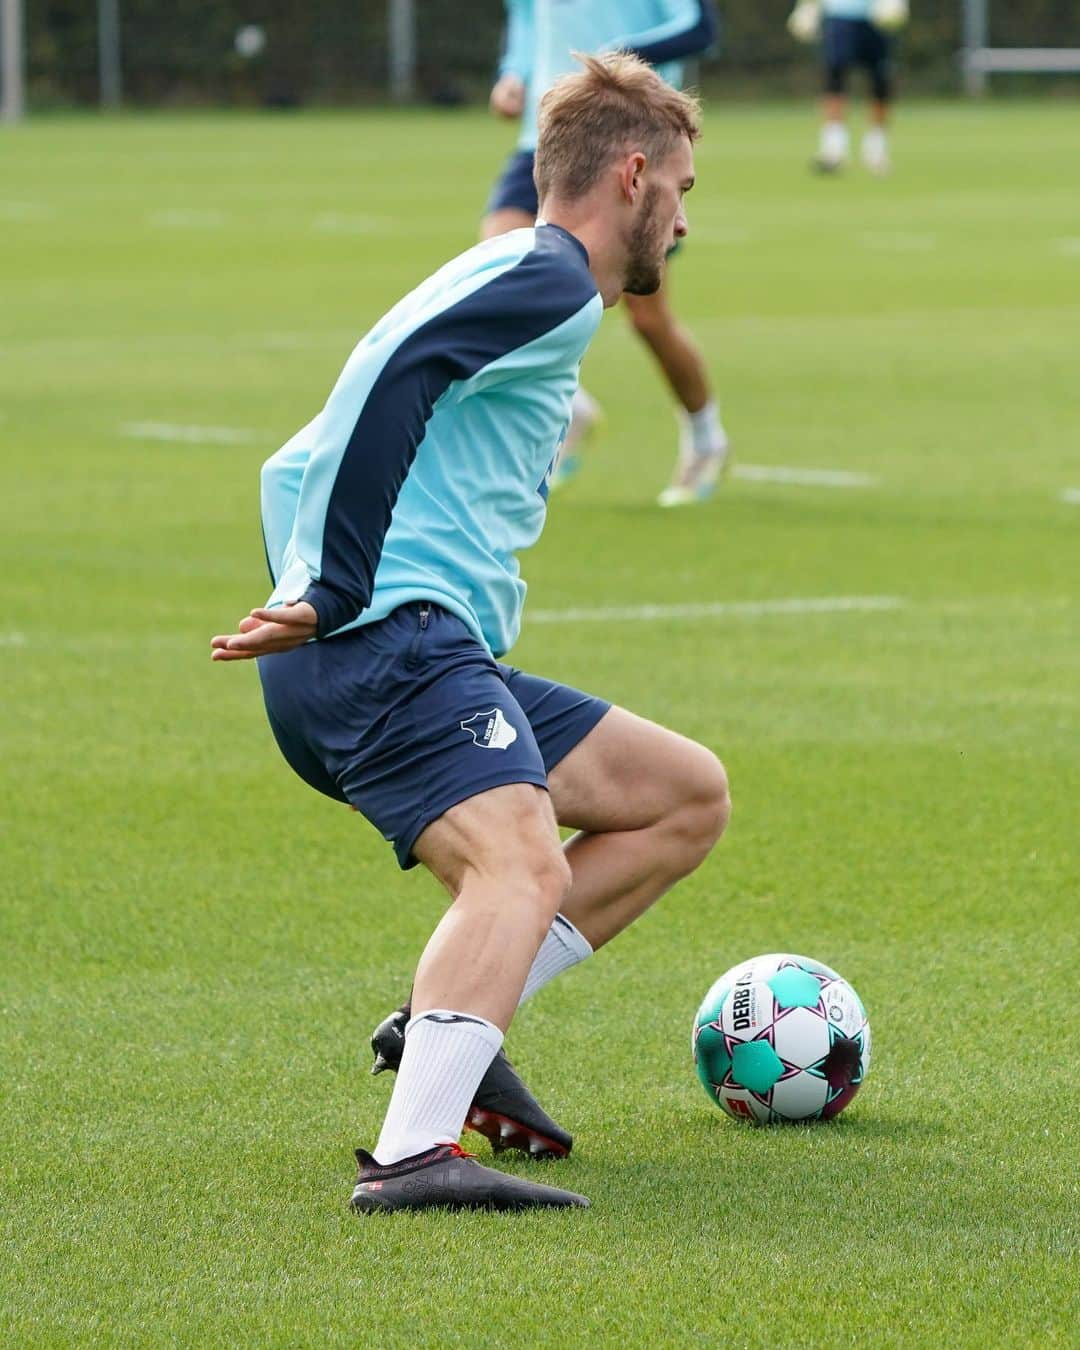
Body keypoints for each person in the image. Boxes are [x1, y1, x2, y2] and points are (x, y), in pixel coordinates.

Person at [211, 52, 730, 1214]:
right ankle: (414, 1156)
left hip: (395, 648)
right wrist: (336, 593)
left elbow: (291, 458)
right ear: (632, 176)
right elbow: (397, 375)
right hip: (389, 646)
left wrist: (306, 587)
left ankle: (456, 1025)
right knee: (522, 859)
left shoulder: (518, 272)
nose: (685, 219)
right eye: (683, 190)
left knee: (682, 795)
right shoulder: (551, 278)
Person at [486, 0, 730, 507]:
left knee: (647, 317)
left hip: (631, 142)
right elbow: (529, 20)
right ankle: (569, 408)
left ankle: (707, 438)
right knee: (499, 270)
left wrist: (612, 67)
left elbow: (698, 27)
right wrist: (514, 73)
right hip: (547, 138)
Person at [789, 0, 900, 175]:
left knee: (880, 82)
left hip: (877, 16)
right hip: (838, 16)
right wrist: (808, 6)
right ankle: (834, 149)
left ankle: (877, 149)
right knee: (834, 80)